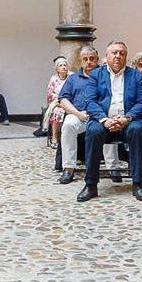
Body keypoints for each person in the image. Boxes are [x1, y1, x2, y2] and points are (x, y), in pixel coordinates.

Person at [78, 41, 142, 203]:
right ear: (106, 56)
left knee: (138, 129)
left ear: (126, 57)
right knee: (93, 131)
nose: (118, 56)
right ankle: (90, 185)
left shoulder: (136, 76)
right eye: (114, 53)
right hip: (103, 120)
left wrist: (126, 118)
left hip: (128, 121)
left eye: (122, 53)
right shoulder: (96, 75)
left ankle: (138, 183)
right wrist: (105, 120)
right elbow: (90, 102)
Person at [56, 46, 100, 184]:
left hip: (99, 116)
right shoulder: (73, 79)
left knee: (108, 124)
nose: (88, 62)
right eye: (85, 59)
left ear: (97, 60)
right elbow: (63, 99)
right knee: (68, 124)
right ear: (80, 61)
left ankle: (113, 166)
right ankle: (68, 168)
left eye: (92, 59)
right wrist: (77, 113)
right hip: (78, 115)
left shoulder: (105, 77)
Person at [39, 56, 70, 143]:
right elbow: (50, 94)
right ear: (57, 69)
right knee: (57, 112)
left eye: (65, 65)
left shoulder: (71, 77)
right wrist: (59, 100)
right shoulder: (53, 79)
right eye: (61, 65)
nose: (63, 67)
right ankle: (54, 137)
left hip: (69, 102)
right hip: (57, 103)